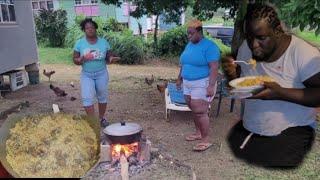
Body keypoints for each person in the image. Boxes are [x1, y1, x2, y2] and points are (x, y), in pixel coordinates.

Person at [222, 3, 320, 167]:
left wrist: (279, 93)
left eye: (261, 38)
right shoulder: (246, 47)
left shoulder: (302, 53)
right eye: (249, 37)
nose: (253, 44)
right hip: (252, 128)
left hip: (293, 133)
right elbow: (242, 83)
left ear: (278, 31)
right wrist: (232, 74)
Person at [176, 19, 220, 151]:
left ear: (199, 32)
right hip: (188, 82)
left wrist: (211, 86)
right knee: (193, 108)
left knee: (200, 111)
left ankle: (205, 140)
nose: (189, 36)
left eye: (191, 33)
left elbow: (214, 67)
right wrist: (179, 79)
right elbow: (184, 64)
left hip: (202, 82)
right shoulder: (189, 45)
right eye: (187, 34)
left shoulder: (210, 46)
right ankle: (198, 133)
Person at [73, 18, 118, 128]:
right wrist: (82, 58)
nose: (90, 29)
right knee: (87, 98)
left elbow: (108, 56)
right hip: (87, 75)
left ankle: (101, 118)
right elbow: (75, 60)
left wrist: (111, 59)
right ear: (84, 30)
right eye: (87, 28)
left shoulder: (103, 42)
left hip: (101, 74)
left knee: (102, 97)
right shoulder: (80, 43)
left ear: (95, 29)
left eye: (92, 27)